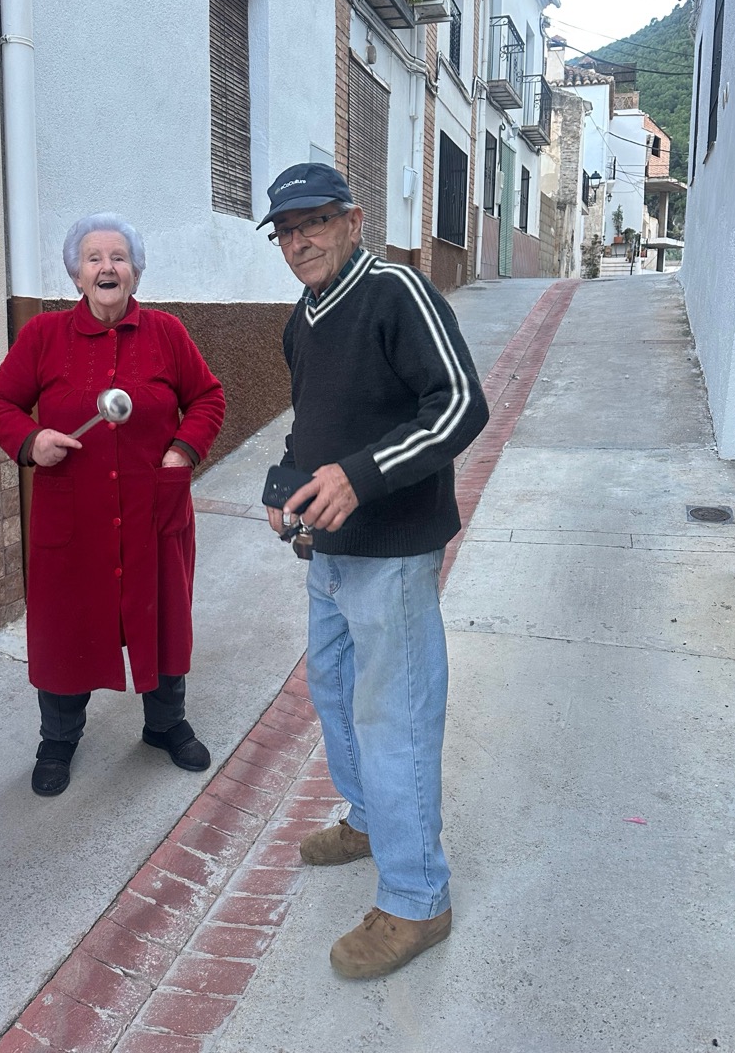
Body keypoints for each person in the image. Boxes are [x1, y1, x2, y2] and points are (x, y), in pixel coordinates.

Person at [259, 162, 488, 980]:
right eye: (286, 230)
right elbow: (312, 422)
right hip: (327, 549)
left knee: (396, 718)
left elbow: (462, 404)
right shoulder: (305, 317)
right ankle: (366, 821)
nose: (300, 241)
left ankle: (417, 900)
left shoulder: (397, 290)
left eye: (314, 222)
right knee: (335, 693)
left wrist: (361, 475)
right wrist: (286, 485)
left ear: (354, 221)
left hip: (392, 552)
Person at [0, 214, 225, 796]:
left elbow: (208, 398)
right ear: (77, 275)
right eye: (94, 258)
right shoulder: (43, 336)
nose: (107, 267)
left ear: (134, 272)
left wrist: (181, 453)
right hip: (74, 519)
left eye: (118, 257)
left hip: (154, 511)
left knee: (162, 616)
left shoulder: (166, 332)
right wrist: (31, 441)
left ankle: (166, 724)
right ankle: (58, 739)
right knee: (68, 628)